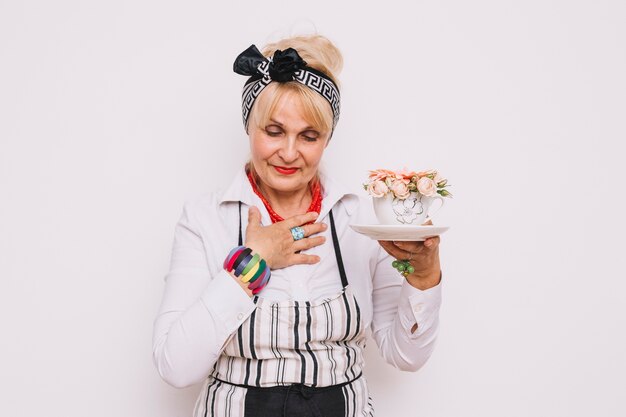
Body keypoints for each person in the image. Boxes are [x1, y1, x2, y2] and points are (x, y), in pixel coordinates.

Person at [152, 34, 443, 417]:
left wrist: (424, 276)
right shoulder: (205, 218)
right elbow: (175, 366)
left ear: (327, 138)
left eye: (309, 136)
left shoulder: (360, 218)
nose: (289, 152)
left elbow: (406, 355)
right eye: (274, 132)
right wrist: (252, 263)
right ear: (248, 127)